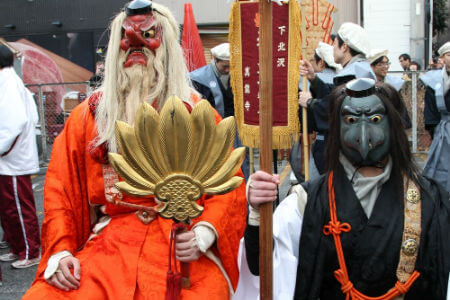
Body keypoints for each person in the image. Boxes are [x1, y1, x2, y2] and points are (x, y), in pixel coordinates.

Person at [22, 1, 246, 299]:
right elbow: (60, 190)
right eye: (127, 42)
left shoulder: (195, 113)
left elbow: (229, 185)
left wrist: (204, 233)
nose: (135, 49)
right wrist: (61, 251)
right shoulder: (90, 115)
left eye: (148, 38)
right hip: (111, 243)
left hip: (179, 242)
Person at [234, 78, 450, 300]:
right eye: (351, 119)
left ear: (392, 125)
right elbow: (263, 268)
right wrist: (258, 213)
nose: (363, 132)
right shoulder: (306, 201)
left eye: (375, 119)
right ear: (337, 127)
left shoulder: (430, 199)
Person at [298, 22, 376, 178]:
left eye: (334, 43)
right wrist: (314, 79)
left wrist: (310, 102)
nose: (332, 47)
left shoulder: (352, 74)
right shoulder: (361, 70)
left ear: (344, 47)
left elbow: (336, 107)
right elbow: (334, 95)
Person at [0, 44, 41, 271]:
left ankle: (29, 250)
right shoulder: (11, 82)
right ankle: (19, 247)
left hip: (12, 161)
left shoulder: (7, 84)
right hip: (11, 159)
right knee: (10, 209)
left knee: (17, 208)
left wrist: (3, 149)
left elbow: (14, 122)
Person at [190, 43, 250, 181]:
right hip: (211, 131)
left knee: (240, 162)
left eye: (231, 66)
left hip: (235, 129)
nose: (228, 70)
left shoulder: (239, 76)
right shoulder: (198, 79)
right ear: (215, 59)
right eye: (225, 66)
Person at [421, 41, 450, 194]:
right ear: (443, 58)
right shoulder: (434, 82)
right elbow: (431, 112)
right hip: (443, 132)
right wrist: (436, 132)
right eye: (449, 55)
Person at [368, 49, 411, 128]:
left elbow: (400, 107)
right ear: (372, 66)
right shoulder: (367, 85)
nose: (386, 67)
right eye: (381, 64)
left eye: (387, 63)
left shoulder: (392, 84)